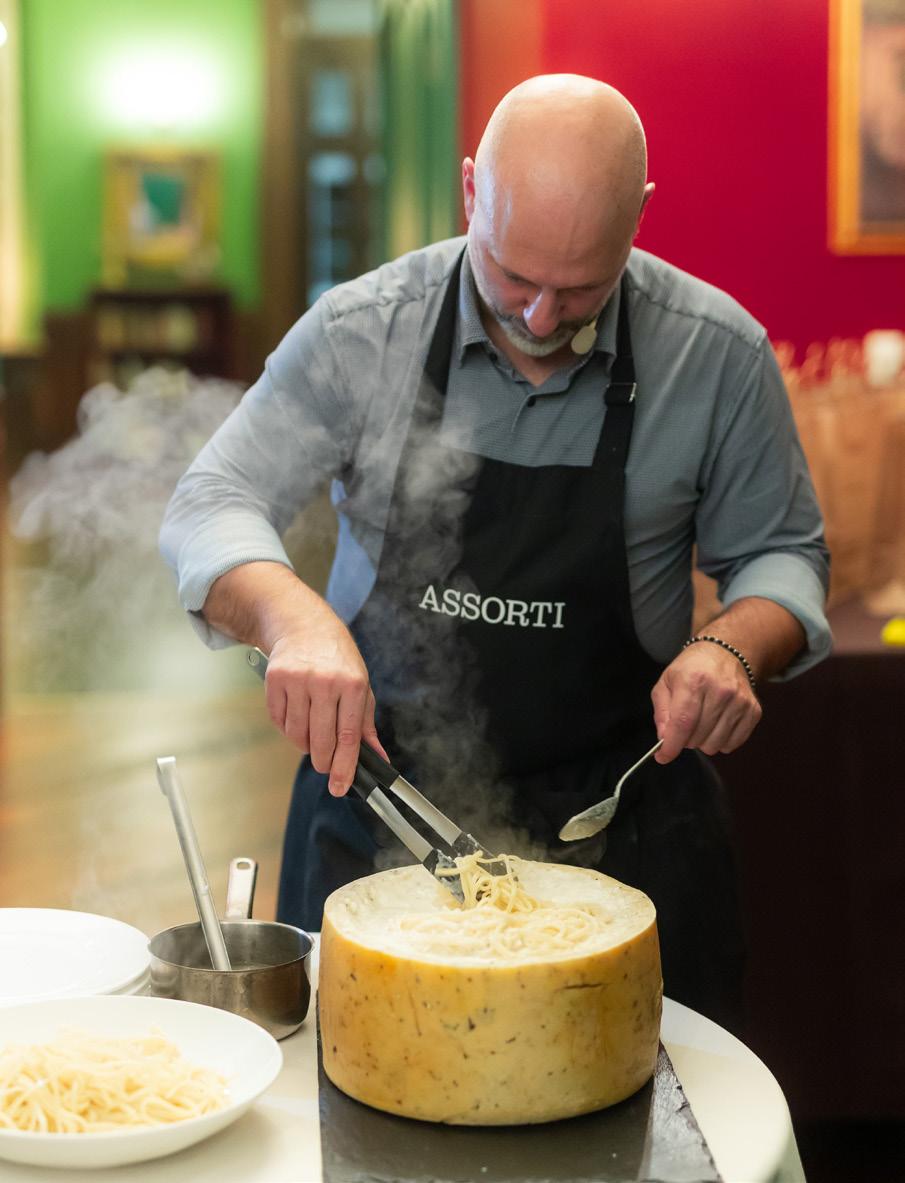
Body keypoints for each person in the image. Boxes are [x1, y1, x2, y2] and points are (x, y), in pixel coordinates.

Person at [160, 74, 830, 1030]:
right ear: (472, 189)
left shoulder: (714, 354)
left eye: (581, 287)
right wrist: (292, 619)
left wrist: (732, 647)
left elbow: (782, 554)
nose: (541, 318)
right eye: (513, 276)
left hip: (624, 828)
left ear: (639, 216)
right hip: (377, 814)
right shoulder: (363, 330)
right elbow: (210, 501)